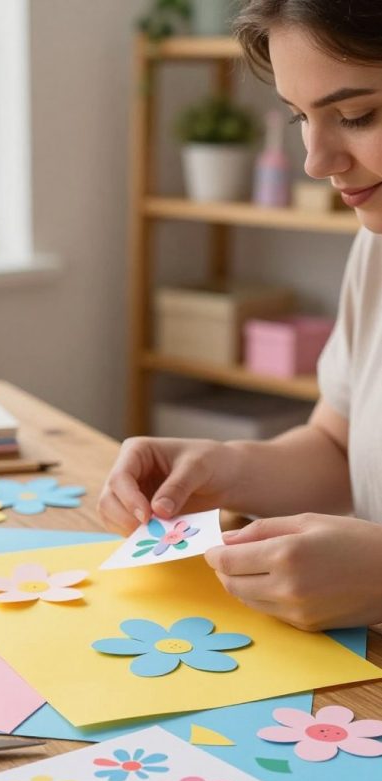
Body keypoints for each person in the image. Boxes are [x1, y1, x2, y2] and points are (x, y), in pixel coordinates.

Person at [99, 0, 382, 632]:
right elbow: (341, 449)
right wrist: (225, 469)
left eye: (358, 116)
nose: (316, 161)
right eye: (300, 118)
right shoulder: (376, 250)